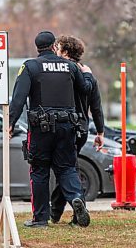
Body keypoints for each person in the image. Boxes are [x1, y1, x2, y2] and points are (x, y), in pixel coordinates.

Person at [9, 30, 94, 228]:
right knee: (66, 169)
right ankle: (75, 199)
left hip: (41, 129)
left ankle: (40, 218)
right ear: (54, 46)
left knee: (39, 172)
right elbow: (86, 89)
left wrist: (10, 123)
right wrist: (87, 75)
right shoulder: (70, 67)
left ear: (37, 47)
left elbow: (19, 98)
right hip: (67, 127)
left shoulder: (30, 66)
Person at [50, 35, 105, 225]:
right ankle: (56, 212)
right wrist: (100, 132)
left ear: (65, 52)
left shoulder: (62, 74)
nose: (54, 51)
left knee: (67, 170)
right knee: (67, 168)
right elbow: (96, 107)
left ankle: (75, 210)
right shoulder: (87, 73)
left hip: (66, 126)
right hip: (82, 128)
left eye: (57, 48)